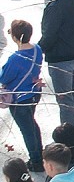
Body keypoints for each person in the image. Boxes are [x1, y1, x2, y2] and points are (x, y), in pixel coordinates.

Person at [38, 0, 74, 125]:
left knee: (65, 99)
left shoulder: (55, 7)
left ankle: (70, 133)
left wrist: (36, 52)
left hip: (62, 58)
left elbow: (49, 36)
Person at [1, 20, 44, 169]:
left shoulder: (15, 58)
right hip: (34, 93)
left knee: (27, 130)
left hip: (19, 99)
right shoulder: (37, 49)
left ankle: (36, 160)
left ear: (15, 38)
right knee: (32, 124)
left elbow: (4, 78)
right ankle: (40, 151)